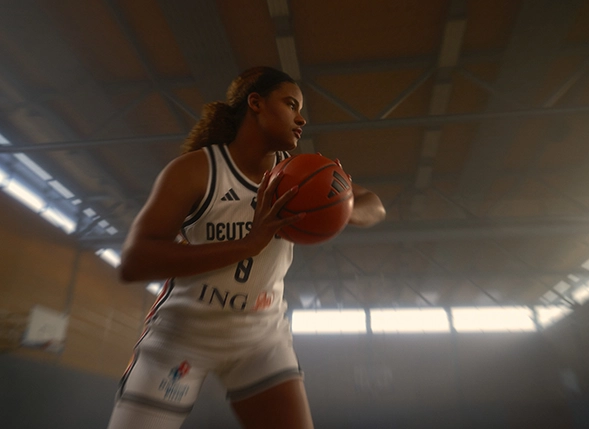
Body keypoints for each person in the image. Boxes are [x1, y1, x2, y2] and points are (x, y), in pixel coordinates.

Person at [107, 66, 386, 429]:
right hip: (184, 334)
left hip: (260, 337)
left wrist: (337, 208)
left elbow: (374, 204)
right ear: (256, 103)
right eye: (291, 104)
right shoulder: (198, 170)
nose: (301, 119)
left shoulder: (301, 175)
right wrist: (247, 245)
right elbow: (134, 262)